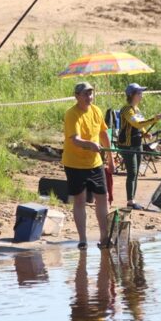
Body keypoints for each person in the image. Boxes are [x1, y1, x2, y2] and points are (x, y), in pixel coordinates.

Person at [62, 82, 114, 250]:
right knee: (80, 200)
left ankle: (104, 237)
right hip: (74, 163)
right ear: (77, 96)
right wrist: (91, 144)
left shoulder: (97, 111)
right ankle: (83, 239)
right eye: (85, 94)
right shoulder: (71, 114)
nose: (88, 97)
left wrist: (110, 159)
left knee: (102, 197)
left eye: (90, 94)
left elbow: (104, 134)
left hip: (95, 163)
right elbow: (75, 140)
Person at [118, 83, 161, 210]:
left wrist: (145, 133)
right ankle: (130, 201)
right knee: (132, 173)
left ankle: (132, 199)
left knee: (136, 173)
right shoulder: (127, 109)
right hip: (127, 145)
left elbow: (140, 127)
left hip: (138, 144)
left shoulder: (136, 109)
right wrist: (153, 119)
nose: (141, 96)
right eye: (139, 93)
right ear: (132, 95)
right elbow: (136, 123)